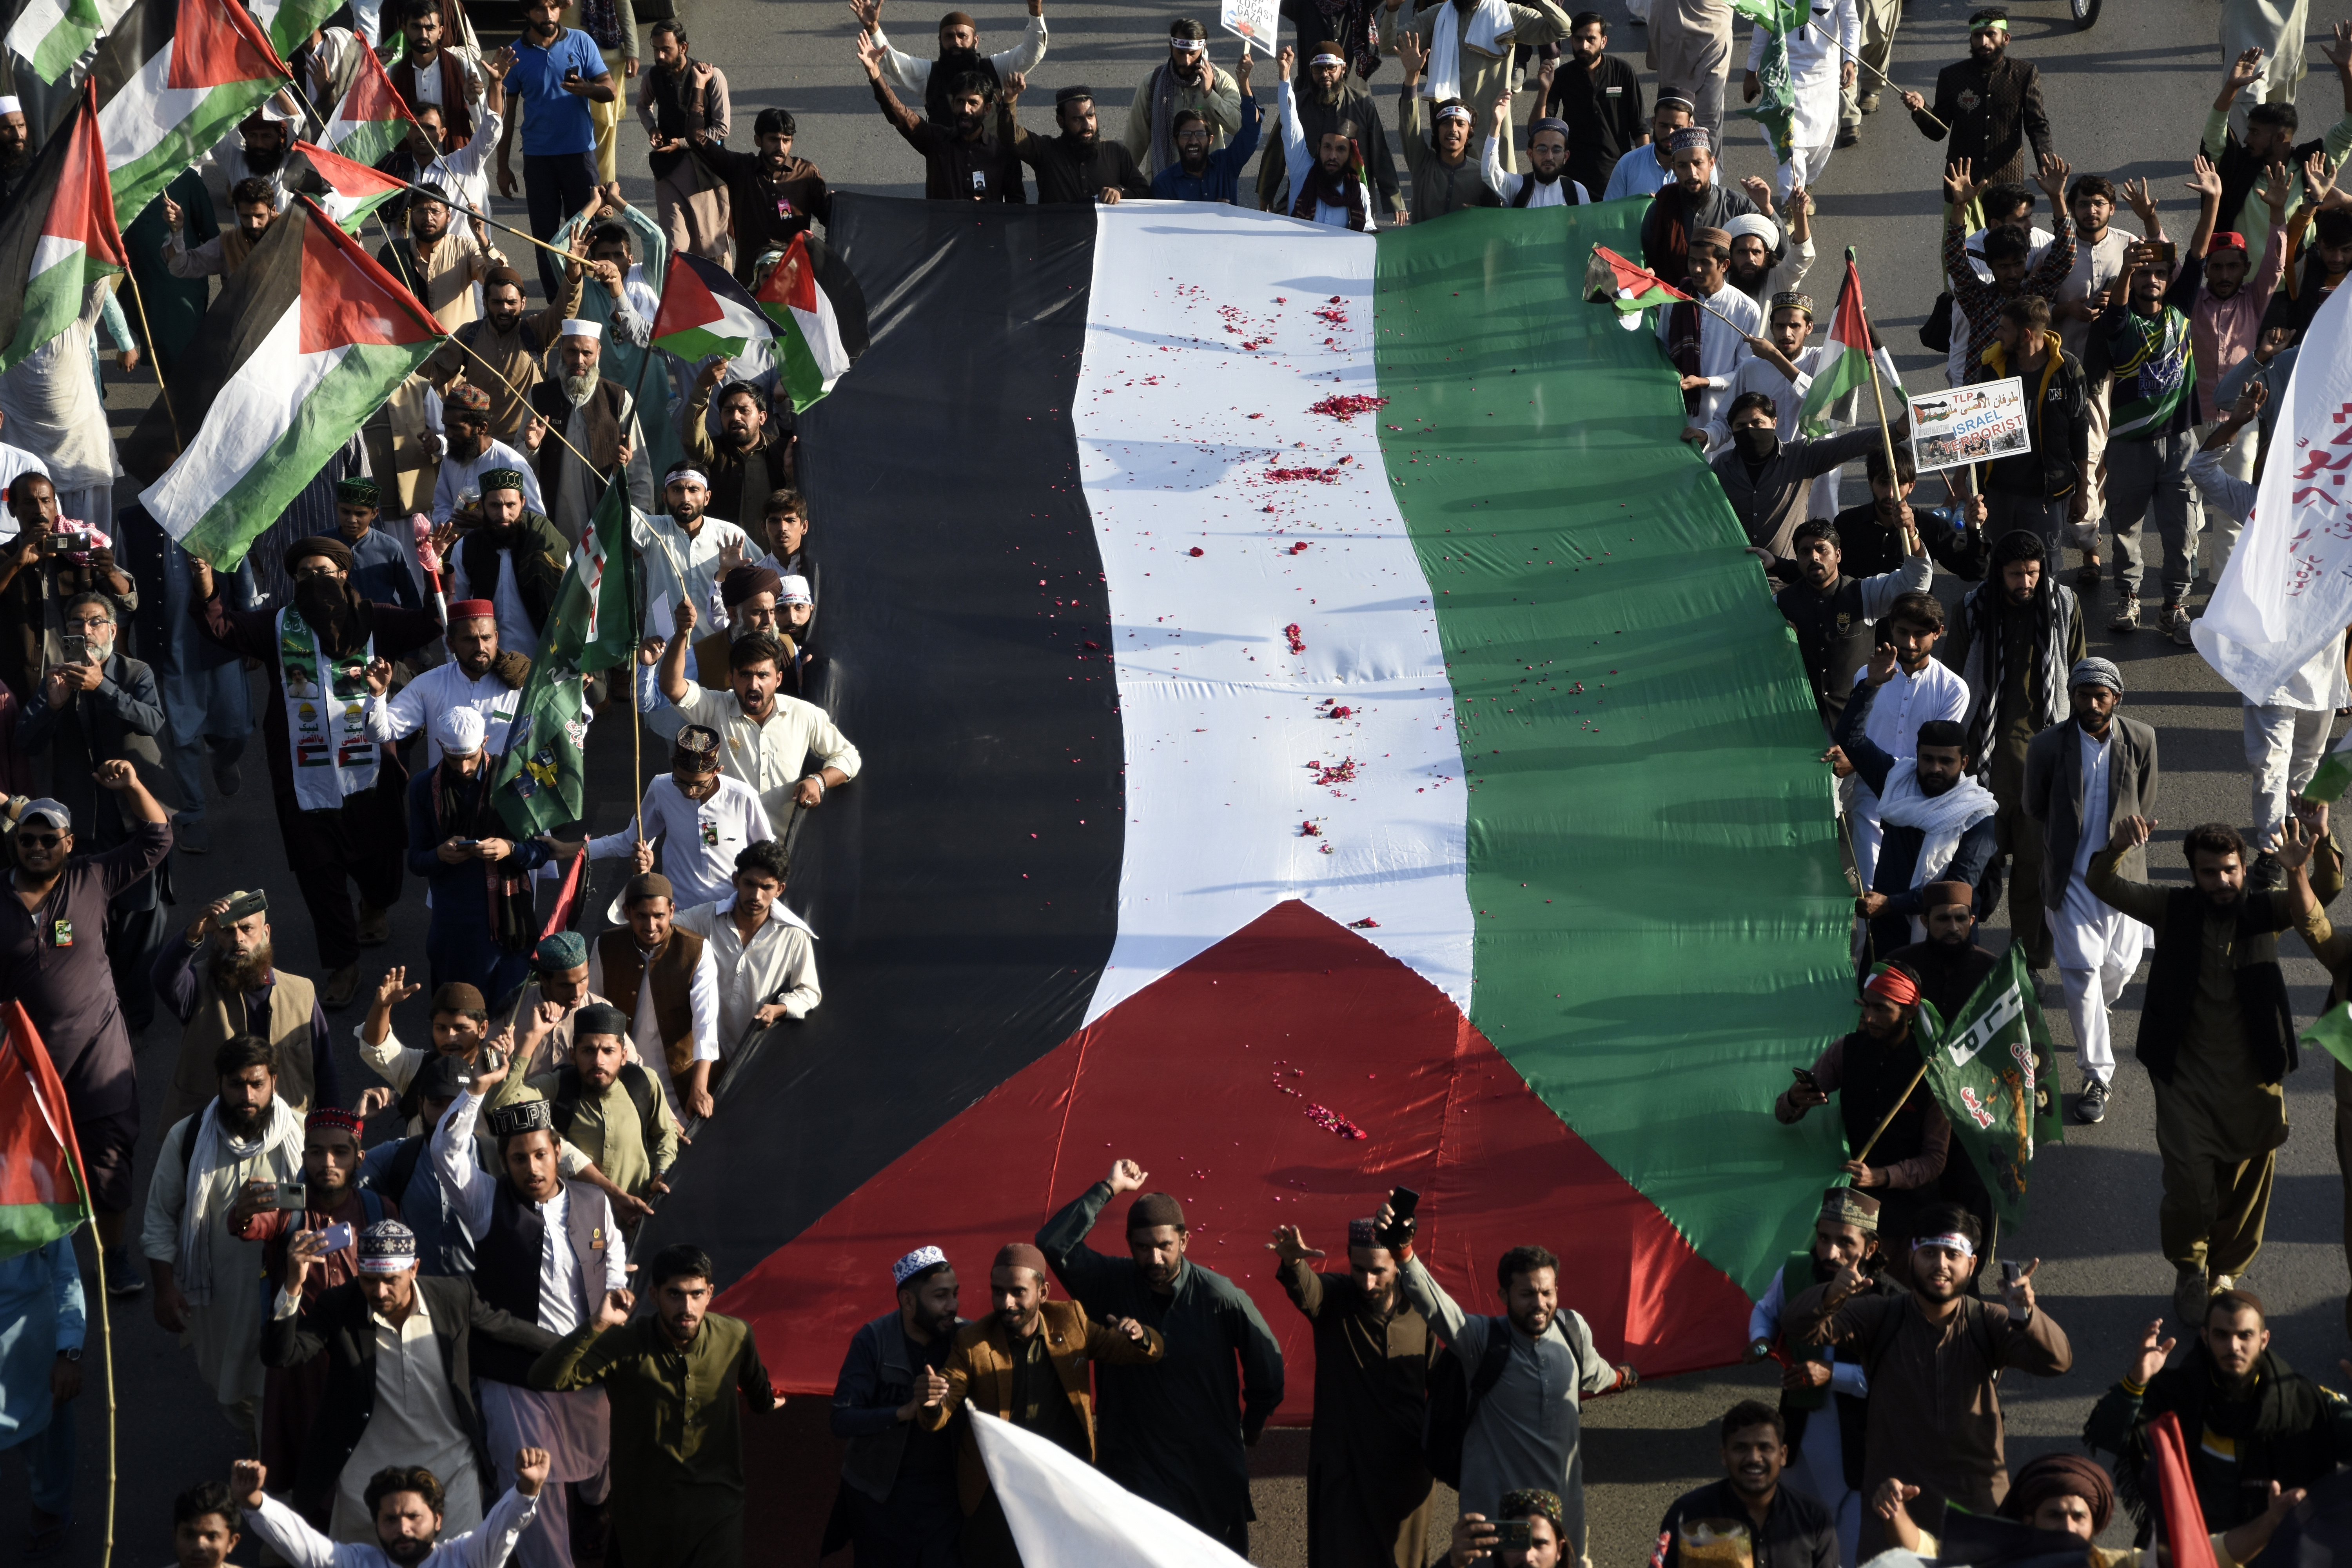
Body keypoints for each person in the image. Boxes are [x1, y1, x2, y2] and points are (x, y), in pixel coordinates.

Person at [192, 539, 443, 1008]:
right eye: (304, 574)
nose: (315, 581)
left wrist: (435, 569)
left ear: (344, 575)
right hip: (303, 775)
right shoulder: (278, 625)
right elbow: (224, 629)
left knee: (383, 860)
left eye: (325, 572)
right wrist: (207, 584)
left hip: (369, 770)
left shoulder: (376, 618)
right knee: (318, 872)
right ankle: (343, 965)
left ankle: (375, 902)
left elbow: (430, 623)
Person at [2089, 815, 2315, 1326]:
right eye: (2210, 873)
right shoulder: (2172, 909)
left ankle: (2224, 1273)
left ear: (2242, 869)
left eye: (2231, 871)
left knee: (2246, 1185)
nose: (2222, 882)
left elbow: (2322, 898)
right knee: (2191, 1186)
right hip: (2184, 1080)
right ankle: (2190, 1268)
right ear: (2193, 872)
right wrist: (2116, 847)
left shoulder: (2264, 911)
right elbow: (2103, 884)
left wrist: (2305, 866)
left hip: (2253, 1078)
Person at [1786, 1204, 2069, 1556]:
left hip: (1977, 1507)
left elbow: (2056, 1362)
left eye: (1953, 1254)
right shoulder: (1881, 1316)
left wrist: (2027, 1316)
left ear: (1972, 1264)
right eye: (1930, 1253)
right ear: (1912, 1257)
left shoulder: (1988, 1322)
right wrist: (1830, 1297)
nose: (1941, 1265)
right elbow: (1800, 1326)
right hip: (1893, 1504)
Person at [1036, 1160, 1285, 1552]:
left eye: (1165, 1246)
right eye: (1144, 1247)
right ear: (1129, 1242)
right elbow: (1054, 1242)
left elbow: (1267, 1368)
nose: (1155, 1258)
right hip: (1136, 1473)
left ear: (1184, 1241)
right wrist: (1108, 1187)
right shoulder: (1108, 1283)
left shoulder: (1219, 1296)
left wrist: (1252, 1426)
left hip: (1209, 1473)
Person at [430, 1082, 627, 1568]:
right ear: (505, 1162)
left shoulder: (592, 1202)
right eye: (519, 1159)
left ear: (558, 1151)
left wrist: (619, 1288)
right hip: (515, 1375)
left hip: (585, 1368)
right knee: (537, 1493)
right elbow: (446, 1152)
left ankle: (598, 1518)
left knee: (595, 1472)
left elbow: (613, 1257)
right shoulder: (484, 1201)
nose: (532, 1168)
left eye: (540, 1154)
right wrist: (475, 1092)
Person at [260, 1218, 556, 1539]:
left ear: (414, 1269)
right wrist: (293, 1285)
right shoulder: (340, 1305)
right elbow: (281, 1355)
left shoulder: (453, 1297)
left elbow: (510, 1330)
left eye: (391, 1280)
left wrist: (587, 1345)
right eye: (369, 1280)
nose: (379, 1291)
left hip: (452, 1481)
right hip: (368, 1492)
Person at [1381, 1200, 1633, 1563]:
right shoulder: (1481, 1341)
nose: (1540, 1304)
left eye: (1548, 1293)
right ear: (1504, 1296)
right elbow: (1436, 1307)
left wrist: (1625, 1376)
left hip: (1563, 1518)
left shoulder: (1573, 1329)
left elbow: (1597, 1374)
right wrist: (1404, 1253)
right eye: (1527, 1294)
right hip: (1498, 1516)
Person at [5, 768, 171, 1288]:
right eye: (27, 839)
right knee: (30, 1167)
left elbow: (158, 838)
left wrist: (133, 787)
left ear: (68, 843)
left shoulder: (92, 878)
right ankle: (45, 1265)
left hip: (100, 1058)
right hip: (26, 1067)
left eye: (48, 839)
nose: (36, 847)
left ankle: (113, 1255)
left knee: (110, 1163)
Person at [530, 1243, 786, 1567]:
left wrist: (767, 1403)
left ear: (710, 1293)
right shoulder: (624, 1343)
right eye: (675, 1295)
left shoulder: (736, 1335)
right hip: (645, 1512)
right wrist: (597, 1325)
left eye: (696, 1295)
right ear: (655, 1295)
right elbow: (546, 1378)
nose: (687, 1307)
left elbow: (757, 1388)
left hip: (717, 1505)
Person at [926, 1241, 1166, 1567]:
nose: (1006, 1303)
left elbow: (1141, 1351)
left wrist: (1141, 1337)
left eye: (1018, 1292)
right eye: (998, 1292)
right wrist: (932, 1402)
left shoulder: (1072, 1321)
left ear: (1043, 1292)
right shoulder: (973, 1342)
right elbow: (941, 1408)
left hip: (1062, 1488)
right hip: (997, 1492)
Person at [2191, 384, 2348, 856]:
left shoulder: (2344, 521)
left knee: (2308, 761)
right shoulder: (2264, 507)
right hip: (2269, 661)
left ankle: (2297, 836)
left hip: (2325, 663)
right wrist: (2236, 422)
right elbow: (2201, 472)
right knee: (2269, 764)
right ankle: (2271, 850)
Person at [16, 586, 170, 1026]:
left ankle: (136, 1018)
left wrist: (103, 688)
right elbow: (25, 740)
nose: (85, 631)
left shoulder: (134, 671)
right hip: (80, 825)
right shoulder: (56, 678)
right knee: (75, 923)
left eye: (94, 622)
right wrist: (50, 705)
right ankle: (86, 1009)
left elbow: (152, 720)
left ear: (112, 629)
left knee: (141, 919)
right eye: (75, 624)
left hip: (134, 817)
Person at [2080, 1295, 2350, 1543]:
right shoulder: (2174, 1393)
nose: (2233, 1346)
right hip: (2187, 1542)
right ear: (2205, 1337)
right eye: (2222, 1335)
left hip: (2276, 1546)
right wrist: (2137, 1381)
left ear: (2264, 1340)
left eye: (2245, 1336)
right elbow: (2108, 1436)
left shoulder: (2306, 1401)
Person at [144, 1036, 305, 1439]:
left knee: (278, 1392)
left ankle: (271, 1476)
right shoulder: (189, 1137)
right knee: (231, 1396)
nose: (247, 1096)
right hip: (219, 1302)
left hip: (284, 1295)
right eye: (236, 1084)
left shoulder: (303, 1136)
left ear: (274, 1081)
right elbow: (160, 1216)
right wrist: (164, 1289)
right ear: (219, 1082)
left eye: (257, 1084)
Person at [234, 1108, 392, 1503]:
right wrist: (242, 1211)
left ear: (360, 1157)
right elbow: (247, 1226)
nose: (328, 1163)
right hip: (301, 1366)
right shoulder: (286, 1209)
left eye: (340, 1152)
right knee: (310, 1474)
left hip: (361, 1359)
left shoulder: (380, 1210)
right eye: (317, 1153)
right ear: (303, 1157)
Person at [2024, 657, 2157, 1125]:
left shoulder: (2141, 738)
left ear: (2117, 699)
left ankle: (2091, 1017)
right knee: (2080, 971)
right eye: (2084, 695)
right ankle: (2097, 1074)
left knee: (2118, 969)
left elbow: (2146, 797)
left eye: (2103, 696)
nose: (2093, 704)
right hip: (2070, 878)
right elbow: (2033, 805)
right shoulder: (2046, 746)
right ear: (2073, 697)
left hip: (2122, 877)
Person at [1270, 1218, 1440, 1568]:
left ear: (1398, 1263)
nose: (1367, 1281)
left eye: (1378, 1271)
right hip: (1343, 1469)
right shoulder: (1334, 1298)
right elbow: (1307, 1291)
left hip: (1406, 1470)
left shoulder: (1421, 1308)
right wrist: (1293, 1263)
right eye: (1358, 1269)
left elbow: (1439, 1383)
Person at [1947, 530, 2081, 972]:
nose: (2025, 582)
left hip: (2042, 765)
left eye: (2032, 573)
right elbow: (1955, 690)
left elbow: (2078, 676)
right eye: (2015, 574)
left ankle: (2027, 966)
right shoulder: (1972, 609)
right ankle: (1969, 962)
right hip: (1984, 764)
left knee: (2033, 871)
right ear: (1998, 574)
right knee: (1976, 871)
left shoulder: (2063, 606)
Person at [1745, 1189, 1894, 1567]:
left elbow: (1890, 1381)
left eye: (1845, 1243)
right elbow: (1767, 1310)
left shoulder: (1889, 1303)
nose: (1830, 1253)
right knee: (1790, 1536)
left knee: (1846, 1550)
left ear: (1871, 1248)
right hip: (1797, 1431)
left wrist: (1832, 1375)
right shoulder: (1796, 1271)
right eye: (1824, 1238)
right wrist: (1761, 1341)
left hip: (1856, 1445)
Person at [1777, 967, 1964, 1245]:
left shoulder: (1934, 1069)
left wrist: (1882, 1177)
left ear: (1910, 1012)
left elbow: (1935, 1160)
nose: (1870, 1018)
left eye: (1881, 1009)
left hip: (1907, 1213)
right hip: (1849, 1208)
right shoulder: (1845, 1051)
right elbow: (1784, 1114)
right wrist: (1794, 1100)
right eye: (1866, 1007)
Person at [1876, 1445, 2305, 1565]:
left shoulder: (2115, 1565)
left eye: (2077, 1516)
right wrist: (1897, 1513)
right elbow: (1925, 1553)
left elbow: (2208, 1554)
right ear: (2029, 1519)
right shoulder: (1992, 1557)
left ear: (2094, 1526)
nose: (2066, 1526)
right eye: (2054, 1514)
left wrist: (2269, 1523)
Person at [2089, 233, 2205, 642]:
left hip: (2180, 445)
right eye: (2143, 273)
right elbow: (2117, 307)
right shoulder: (2120, 325)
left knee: (2182, 530)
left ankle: (2174, 606)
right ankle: (2128, 598)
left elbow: (2196, 257)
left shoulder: (2180, 311)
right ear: (2132, 278)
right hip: (2129, 447)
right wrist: (2126, 266)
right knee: (2125, 530)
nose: (2152, 280)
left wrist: (2213, 200)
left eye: (2159, 273)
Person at [152, 888, 336, 1141]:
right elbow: (163, 978)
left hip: (286, 1135)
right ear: (216, 936)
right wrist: (192, 934)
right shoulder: (197, 983)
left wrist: (332, 1129)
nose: (238, 938)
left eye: (247, 929)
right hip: (211, 1136)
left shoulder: (302, 992)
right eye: (228, 931)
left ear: (266, 933)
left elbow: (324, 1070)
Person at [657, 602, 861, 824]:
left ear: (779, 680)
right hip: (729, 848)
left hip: (782, 851)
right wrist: (680, 634)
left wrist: (818, 781)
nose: (754, 684)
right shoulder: (715, 708)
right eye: (745, 675)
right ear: (731, 678)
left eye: (763, 676)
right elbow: (672, 687)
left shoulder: (805, 715)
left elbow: (849, 757)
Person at [826, 1247, 968, 1568]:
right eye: (941, 1296)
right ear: (907, 1301)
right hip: (880, 1499)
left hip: (947, 1500)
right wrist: (902, 1413)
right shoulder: (873, 1340)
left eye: (955, 1294)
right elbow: (841, 1419)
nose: (953, 1306)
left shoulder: (966, 1338)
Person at [2181, 168, 2290, 575]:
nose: (2225, 275)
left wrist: (2278, 213)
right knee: (2189, 502)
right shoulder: (2192, 300)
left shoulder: (2255, 299)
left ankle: (2220, 593)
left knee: (2232, 512)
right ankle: (2183, 576)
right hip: (2192, 415)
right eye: (2218, 267)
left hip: (2242, 418)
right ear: (2207, 270)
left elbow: (2276, 266)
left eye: (2233, 267)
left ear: (2245, 269)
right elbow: (2184, 262)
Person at [406, 707, 551, 1000]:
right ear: (439, 747)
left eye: (470, 758)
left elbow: (540, 851)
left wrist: (509, 849)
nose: (463, 769)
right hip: (453, 932)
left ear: (485, 742)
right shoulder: (423, 787)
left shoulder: (515, 781)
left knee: (508, 1024)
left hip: (510, 931)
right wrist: (440, 855)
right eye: (454, 759)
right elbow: (416, 861)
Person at [228, 1446, 552, 1568]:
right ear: (376, 1524)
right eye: (391, 1519)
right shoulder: (357, 1563)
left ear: (438, 1520)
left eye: (414, 1517)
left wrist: (527, 1488)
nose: (403, 1528)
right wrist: (255, 1502)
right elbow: (302, 1545)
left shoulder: (466, 1558)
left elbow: (503, 1527)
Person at [1835, 593, 1969, 885]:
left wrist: (1860, 761)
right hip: (1871, 797)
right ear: (1891, 628)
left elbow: (1938, 755)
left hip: (1923, 799)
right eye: (1902, 632)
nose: (1910, 643)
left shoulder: (1953, 689)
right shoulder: (1866, 676)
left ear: (1938, 633)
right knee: (1870, 888)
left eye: (1920, 634)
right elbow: (1855, 733)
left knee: (1917, 889)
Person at [512, 1002, 680, 1223]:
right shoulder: (559, 1086)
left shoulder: (644, 1083)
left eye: (608, 1051)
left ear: (623, 1056)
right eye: (588, 1051)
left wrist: (661, 1174)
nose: (598, 1061)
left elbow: (665, 1134)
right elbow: (507, 1103)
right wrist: (532, 1038)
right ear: (573, 1055)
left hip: (639, 1221)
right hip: (577, 1226)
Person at [2200, 35, 2352, 277]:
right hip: (2246, 292)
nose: (2247, 139)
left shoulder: (2313, 167)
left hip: (2298, 289)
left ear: (2281, 138)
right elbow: (2214, 136)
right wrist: (2231, 88)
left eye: (2255, 132)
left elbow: (2349, 129)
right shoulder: (2239, 167)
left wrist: (2347, 70)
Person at [495, 0, 613, 296]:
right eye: (539, 9)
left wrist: (588, 89)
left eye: (552, 7)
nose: (548, 15)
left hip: (580, 157)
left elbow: (609, 89)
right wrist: (502, 166)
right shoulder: (514, 55)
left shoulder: (581, 41)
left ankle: (592, 301)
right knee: (547, 241)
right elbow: (505, 117)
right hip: (538, 161)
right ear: (526, 12)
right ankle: (556, 307)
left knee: (588, 233)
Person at [1381, 0, 1577, 176]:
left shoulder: (1507, 15)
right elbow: (1388, 45)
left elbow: (1564, 29)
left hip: (1493, 127)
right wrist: (1392, 9)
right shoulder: (1439, 15)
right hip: (1453, 126)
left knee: (1501, 202)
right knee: (1454, 198)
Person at [1765, 514, 1930, 722]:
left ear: (1839, 555)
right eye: (1805, 552)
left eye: (1821, 549)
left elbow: (1916, 583)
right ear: (1797, 560)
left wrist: (1912, 535)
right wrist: (1785, 652)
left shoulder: (1866, 593)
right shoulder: (1780, 604)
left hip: (1859, 722)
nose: (1814, 557)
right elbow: (1765, 669)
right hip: (1801, 722)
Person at [588, 872, 723, 1120]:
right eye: (642, 916)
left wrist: (700, 1087)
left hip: (682, 1081)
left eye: (659, 916)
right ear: (627, 913)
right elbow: (595, 1010)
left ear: (672, 910)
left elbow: (706, 1023)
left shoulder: (696, 949)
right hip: (624, 1078)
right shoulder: (606, 945)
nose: (651, 926)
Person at [0, 474, 137, 706]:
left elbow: (129, 602)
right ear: (12, 509)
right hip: (21, 685)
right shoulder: (6, 558)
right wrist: (17, 563)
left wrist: (110, 571)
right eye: (29, 503)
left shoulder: (79, 553)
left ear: (56, 505)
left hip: (78, 680)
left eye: (46, 501)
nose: (39, 510)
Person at [1969, 295, 2092, 556]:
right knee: (1998, 569)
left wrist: (2082, 492)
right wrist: (1963, 483)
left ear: (2025, 335)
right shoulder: (1991, 367)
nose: (1997, 333)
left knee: (2044, 574)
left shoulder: (2069, 370)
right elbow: (1972, 430)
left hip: (2045, 496)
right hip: (1997, 492)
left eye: (2004, 328)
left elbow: (2080, 432)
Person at [673, 839, 821, 1047]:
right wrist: (643, 877)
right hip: (700, 1050)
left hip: (752, 1057)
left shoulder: (793, 935)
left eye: (766, 887)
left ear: (780, 889)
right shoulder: (704, 918)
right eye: (749, 884)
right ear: (736, 880)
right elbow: (657, 926)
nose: (756, 895)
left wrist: (779, 1009)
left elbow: (809, 991)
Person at [1653, 1402, 1838, 1568]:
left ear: (1783, 1455)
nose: (1754, 1458)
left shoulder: (1814, 1519)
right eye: (1741, 1448)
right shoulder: (1687, 1514)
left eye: (1765, 1448)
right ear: (1724, 1455)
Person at [1942, 155, 2078, 381]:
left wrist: (2057, 198)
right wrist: (1959, 206)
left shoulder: (2034, 294)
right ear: (1990, 265)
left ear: (2027, 259)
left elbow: (2066, 254)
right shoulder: (1977, 299)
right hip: (1983, 393)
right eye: (2004, 267)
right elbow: (1956, 260)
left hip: (2028, 389)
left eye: (2018, 264)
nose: (2013, 273)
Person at [521, 321, 654, 546]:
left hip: (604, 527)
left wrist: (640, 524)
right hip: (553, 527)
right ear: (561, 350)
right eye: (572, 351)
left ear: (599, 353)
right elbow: (520, 466)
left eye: (587, 353)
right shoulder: (540, 396)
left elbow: (639, 469)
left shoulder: (618, 399)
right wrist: (531, 449)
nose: (579, 361)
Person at [418, 267, 584, 445]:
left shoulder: (536, 331)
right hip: (480, 446)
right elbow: (431, 375)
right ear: (485, 302)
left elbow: (564, 310)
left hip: (527, 445)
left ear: (524, 303)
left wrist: (574, 273)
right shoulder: (470, 334)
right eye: (497, 302)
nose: (504, 310)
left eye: (511, 302)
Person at [356, 1054, 486, 1277]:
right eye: (437, 1105)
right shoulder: (397, 1157)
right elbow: (329, 1180)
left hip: (481, 1307)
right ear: (420, 1105)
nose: (448, 1116)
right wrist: (355, 1122)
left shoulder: (496, 1159)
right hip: (418, 1304)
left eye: (458, 1105)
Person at [362, 600, 531, 768]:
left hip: (503, 793)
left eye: (486, 638)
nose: (480, 647)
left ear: (496, 638)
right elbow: (379, 734)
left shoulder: (521, 686)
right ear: (451, 644)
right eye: (470, 640)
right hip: (445, 794)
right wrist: (377, 694)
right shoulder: (430, 684)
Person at [859, 34, 1025, 203]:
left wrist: (990, 209)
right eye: (960, 102)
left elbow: (1017, 204)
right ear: (953, 105)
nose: (965, 109)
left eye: (973, 103)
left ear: (987, 109)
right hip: (941, 230)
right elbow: (900, 114)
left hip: (987, 229)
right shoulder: (937, 140)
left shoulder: (1002, 152)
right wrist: (875, 74)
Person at [1899, 9, 2053, 190]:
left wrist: (2046, 163)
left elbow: (2036, 124)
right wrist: (1921, 108)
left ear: (2006, 39)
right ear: (1971, 40)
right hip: (1962, 184)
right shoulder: (1951, 76)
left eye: (1991, 34)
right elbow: (1938, 131)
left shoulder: (2024, 73)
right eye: (1977, 35)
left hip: (2006, 182)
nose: (1984, 42)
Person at [0, 1234, 84, 1556]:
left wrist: (69, 1351)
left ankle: (50, 1504)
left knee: (47, 1433)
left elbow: (66, 1273)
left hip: (28, 1340)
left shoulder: (35, 1186)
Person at [684, 107, 832, 286]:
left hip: (793, 285)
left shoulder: (806, 174)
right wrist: (700, 86)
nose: (780, 147)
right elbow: (696, 138)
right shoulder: (740, 169)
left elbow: (831, 219)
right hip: (750, 285)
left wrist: (837, 204)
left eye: (787, 141)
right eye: (773, 140)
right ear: (758, 140)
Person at [1255, 40, 1402, 217]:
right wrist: (1267, 192)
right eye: (1318, 69)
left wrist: (1394, 199)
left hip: (1352, 199)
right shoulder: (1298, 104)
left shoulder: (1363, 104)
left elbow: (1381, 153)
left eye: (1331, 68)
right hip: (1306, 195)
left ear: (1343, 68)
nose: (1325, 74)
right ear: (1311, 71)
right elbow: (1277, 150)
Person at [857, 0, 1051, 124]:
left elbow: (1032, 52)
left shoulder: (995, 68)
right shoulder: (929, 74)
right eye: (949, 37)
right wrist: (873, 28)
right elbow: (894, 61)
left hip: (992, 171)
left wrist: (1035, 10)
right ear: (940, 41)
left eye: (962, 36)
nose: (956, 42)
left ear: (975, 40)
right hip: (946, 173)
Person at [1739, 0, 1857, 201]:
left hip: (1823, 79)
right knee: (1790, 147)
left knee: (1820, 147)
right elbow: (1763, 23)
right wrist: (1751, 72)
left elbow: (1850, 22)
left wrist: (1850, 60)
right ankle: (1793, 205)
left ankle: (1805, 185)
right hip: (1784, 74)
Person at [446, 471, 570, 661]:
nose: (503, 514)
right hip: (488, 662)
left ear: (523, 503)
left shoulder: (546, 543)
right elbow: (457, 609)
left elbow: (575, 599)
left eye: (510, 505)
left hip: (544, 660)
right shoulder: (466, 548)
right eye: (495, 506)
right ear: (482, 506)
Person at [639, 23, 732, 267]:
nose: (659, 56)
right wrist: (652, 128)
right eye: (656, 50)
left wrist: (680, 143)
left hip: (707, 173)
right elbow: (642, 106)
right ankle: (680, 303)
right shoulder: (652, 77)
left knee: (712, 249)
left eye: (666, 50)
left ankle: (722, 302)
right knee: (676, 251)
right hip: (669, 171)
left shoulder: (712, 77)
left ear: (684, 47)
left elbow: (721, 129)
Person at [1659, 230, 1766, 439]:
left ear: (1724, 265)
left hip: (1723, 421)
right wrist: (1671, 372)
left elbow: (1745, 372)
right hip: (1675, 410)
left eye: (1705, 263)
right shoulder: (1675, 298)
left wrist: (1705, 382)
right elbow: (1661, 348)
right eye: (1692, 261)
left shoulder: (1746, 309)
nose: (1696, 269)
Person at [1394, 36, 1501, 220]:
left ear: (1469, 133)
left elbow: (1495, 222)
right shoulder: (1423, 164)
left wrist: (1480, 216)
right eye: (1446, 123)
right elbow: (1409, 124)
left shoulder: (1482, 175)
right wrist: (1413, 76)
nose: (1453, 128)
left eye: (1461, 124)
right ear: (1436, 130)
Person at [1002, 76, 1154, 204]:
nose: (1087, 125)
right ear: (1061, 121)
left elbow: (1144, 192)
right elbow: (1012, 137)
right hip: (1059, 239)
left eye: (1091, 116)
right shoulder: (1046, 151)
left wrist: (1120, 192)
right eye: (1077, 119)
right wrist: (1010, 100)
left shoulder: (1116, 153)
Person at [1639, 127, 1761, 281]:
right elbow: (1646, 260)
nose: (1692, 173)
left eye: (1698, 163)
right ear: (1674, 169)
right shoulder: (1661, 208)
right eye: (1683, 166)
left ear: (1711, 164)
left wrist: (1766, 208)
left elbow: (1778, 253)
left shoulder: (1738, 206)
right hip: (1673, 301)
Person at [1540, 12, 1642, 196]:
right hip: (1573, 178)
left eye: (1591, 39)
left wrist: (1644, 172)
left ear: (1604, 42)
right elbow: (1539, 128)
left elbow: (1640, 129)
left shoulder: (1623, 72)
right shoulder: (1562, 76)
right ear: (1571, 41)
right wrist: (1544, 89)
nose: (1584, 46)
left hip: (1617, 175)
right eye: (1578, 39)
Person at [1125, 19, 1243, 175]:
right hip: (1162, 186)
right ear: (1171, 47)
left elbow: (1238, 127)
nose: (1186, 61)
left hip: (1208, 185)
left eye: (1192, 54)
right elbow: (1136, 139)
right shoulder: (1152, 83)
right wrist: (1121, 180)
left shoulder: (1221, 81)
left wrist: (1210, 94)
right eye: (1180, 53)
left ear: (1203, 50)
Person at [493, 933, 615, 1082]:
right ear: (544, 980)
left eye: (583, 980)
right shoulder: (513, 1010)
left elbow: (631, 1066)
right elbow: (488, 1068)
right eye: (566, 985)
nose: (577, 993)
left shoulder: (602, 1011)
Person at [683, 373, 793, 538]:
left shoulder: (782, 451)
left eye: (744, 411)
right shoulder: (712, 451)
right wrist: (702, 387)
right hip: (722, 557)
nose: (736, 417)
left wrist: (791, 475)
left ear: (762, 417)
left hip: (772, 558)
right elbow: (693, 439)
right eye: (728, 412)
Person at [1278, 51, 1379, 229]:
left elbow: (1368, 230)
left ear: (1350, 155)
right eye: (1327, 147)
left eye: (1341, 149)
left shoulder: (1358, 192)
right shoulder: (1302, 171)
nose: (1332, 155)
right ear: (1318, 148)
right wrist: (1285, 75)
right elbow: (1290, 123)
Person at [1883, 882, 2004, 1027]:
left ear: (1971, 921)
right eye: (1943, 919)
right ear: (1925, 921)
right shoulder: (1899, 965)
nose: (1953, 928)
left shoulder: (1994, 971)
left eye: (1961, 919)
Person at [430, 385, 545, 526]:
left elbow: (538, 520)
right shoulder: (451, 458)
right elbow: (442, 505)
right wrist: (451, 526)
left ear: (482, 428)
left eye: (456, 428)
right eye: (446, 426)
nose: (447, 435)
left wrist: (491, 521)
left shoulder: (512, 464)